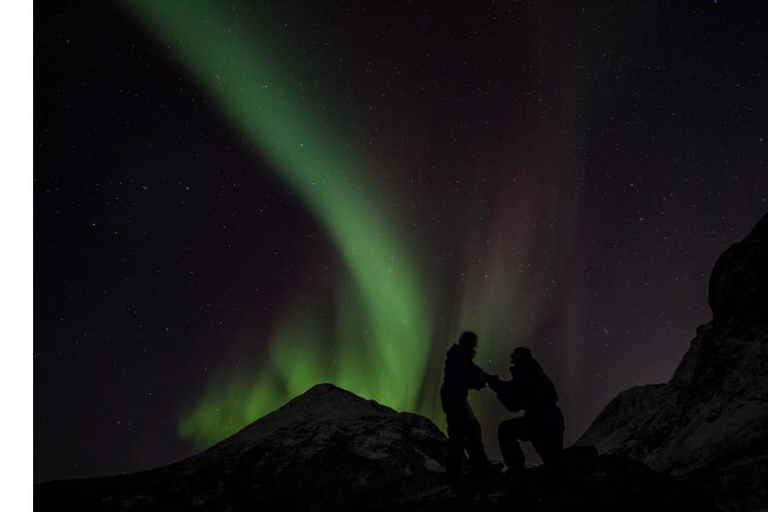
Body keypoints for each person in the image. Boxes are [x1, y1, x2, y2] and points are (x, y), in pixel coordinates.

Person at [488, 346, 564, 473]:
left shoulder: (526, 372)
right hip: (548, 419)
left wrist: (498, 387)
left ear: (521, 357)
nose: (511, 357)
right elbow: (516, 392)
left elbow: (514, 402)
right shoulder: (531, 371)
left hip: (541, 420)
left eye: (514, 355)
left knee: (506, 430)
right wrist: (499, 386)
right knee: (553, 462)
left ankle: (517, 472)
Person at [440, 331, 501, 485]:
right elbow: (468, 374)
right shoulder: (460, 357)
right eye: (474, 344)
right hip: (454, 398)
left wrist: (484, 379)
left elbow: (473, 372)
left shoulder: (460, 356)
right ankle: (456, 476)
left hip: (454, 397)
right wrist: (483, 381)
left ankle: (480, 469)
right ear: (469, 343)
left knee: (470, 431)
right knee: (459, 434)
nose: (475, 347)